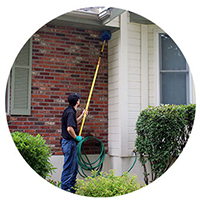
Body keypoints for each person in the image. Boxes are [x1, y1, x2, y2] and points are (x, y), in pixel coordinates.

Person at [60, 93, 88, 193]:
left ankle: (71, 191)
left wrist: (82, 116)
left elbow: (73, 123)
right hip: (70, 143)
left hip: (68, 144)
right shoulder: (71, 112)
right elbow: (69, 128)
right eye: (79, 100)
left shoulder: (68, 111)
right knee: (69, 170)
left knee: (74, 169)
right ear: (77, 102)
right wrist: (76, 137)